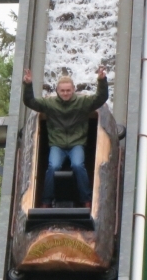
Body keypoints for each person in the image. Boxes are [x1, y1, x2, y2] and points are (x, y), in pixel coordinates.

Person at [23, 67, 109, 208]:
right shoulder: (50, 104)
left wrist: (101, 80)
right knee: (53, 167)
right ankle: (46, 201)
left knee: (78, 165)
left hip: (76, 143)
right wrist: (27, 85)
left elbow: (100, 98)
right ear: (57, 91)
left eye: (68, 90)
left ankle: (86, 199)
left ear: (73, 89)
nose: (65, 93)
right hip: (57, 144)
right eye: (62, 91)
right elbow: (30, 102)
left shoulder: (82, 102)